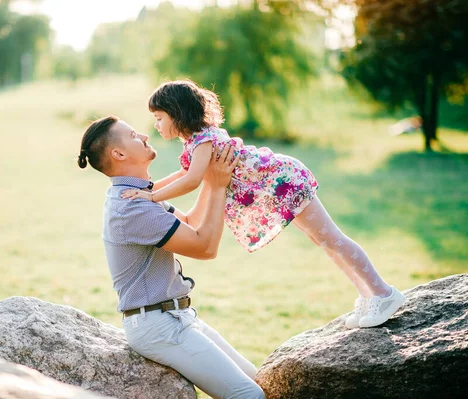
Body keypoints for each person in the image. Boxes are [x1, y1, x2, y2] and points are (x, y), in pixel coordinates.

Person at [121, 80, 406, 329]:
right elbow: (184, 173)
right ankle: (367, 297)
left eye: (159, 117)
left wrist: (151, 197)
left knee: (332, 238)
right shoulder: (195, 141)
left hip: (285, 182)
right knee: (325, 242)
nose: (156, 125)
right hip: (277, 189)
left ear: (177, 114)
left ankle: (383, 293)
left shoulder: (203, 140)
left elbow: (192, 180)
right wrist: (147, 188)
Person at [77, 115, 265, 399]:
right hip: (158, 325)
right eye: (132, 136)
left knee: (256, 380)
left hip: (176, 316)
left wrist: (208, 178)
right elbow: (205, 248)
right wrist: (216, 186)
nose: (143, 135)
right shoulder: (132, 208)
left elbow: (189, 221)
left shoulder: (138, 194)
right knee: (249, 396)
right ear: (119, 154)